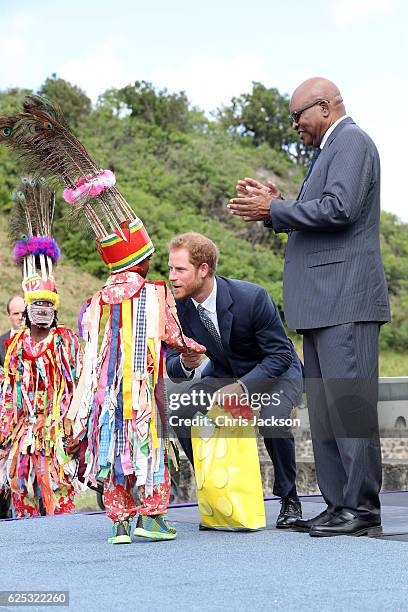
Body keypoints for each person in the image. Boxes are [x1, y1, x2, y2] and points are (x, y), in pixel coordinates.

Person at [1, 95, 205, 543]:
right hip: (141, 397)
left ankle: (118, 521)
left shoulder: (94, 302)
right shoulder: (154, 294)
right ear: (142, 261)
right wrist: (193, 350)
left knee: (112, 450)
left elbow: (90, 357)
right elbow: (172, 336)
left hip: (102, 401)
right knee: (147, 451)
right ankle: (152, 518)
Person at [228, 77, 390, 537]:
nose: (294, 125)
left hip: (345, 300)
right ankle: (339, 504)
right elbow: (320, 209)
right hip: (322, 303)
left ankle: (360, 507)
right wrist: (278, 203)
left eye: (296, 115)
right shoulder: (328, 151)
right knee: (325, 412)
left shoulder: (352, 142)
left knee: (348, 408)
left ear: (323, 107)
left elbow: (339, 209)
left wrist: (275, 210)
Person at [166, 232, 304, 528]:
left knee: (272, 418)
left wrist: (242, 388)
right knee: (181, 413)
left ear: (203, 269)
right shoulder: (176, 308)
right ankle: (214, 491)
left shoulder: (251, 297)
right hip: (224, 373)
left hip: (277, 371)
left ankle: (289, 499)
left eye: (179, 270)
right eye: (170, 269)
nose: (171, 276)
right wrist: (185, 362)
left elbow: (279, 355)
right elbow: (171, 364)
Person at [0, 177, 83, 518]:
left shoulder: (65, 340)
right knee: (21, 486)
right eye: (37, 307)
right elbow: (8, 388)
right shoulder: (17, 342)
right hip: (24, 428)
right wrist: (5, 431)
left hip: (56, 428)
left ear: (55, 308)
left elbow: (77, 386)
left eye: (48, 307)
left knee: (58, 486)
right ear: (28, 310)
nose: (42, 313)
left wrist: (73, 427)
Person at [0, 296, 25, 367]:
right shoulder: (0, 342)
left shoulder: (38, 339)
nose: (20, 317)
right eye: (16, 313)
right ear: (9, 315)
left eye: (23, 313)